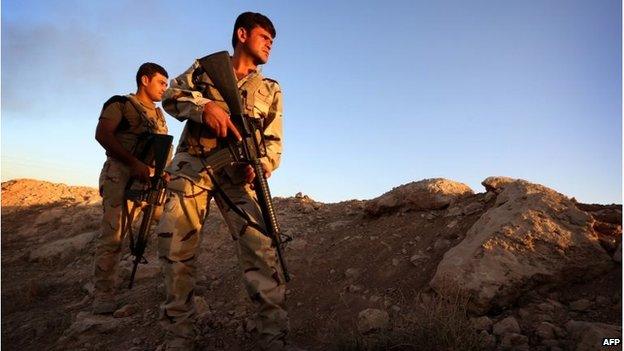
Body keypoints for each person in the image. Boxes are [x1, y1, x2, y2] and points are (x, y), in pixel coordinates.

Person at [156, 12, 289, 350]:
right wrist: (204, 108)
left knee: (261, 248)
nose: (270, 43)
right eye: (264, 36)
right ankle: (178, 336)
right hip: (193, 167)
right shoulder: (206, 67)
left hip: (237, 174)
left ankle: (273, 337)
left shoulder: (270, 89)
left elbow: (273, 142)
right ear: (242, 34)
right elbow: (171, 96)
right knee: (176, 250)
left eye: (273, 40)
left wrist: (261, 165)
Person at [93, 62, 170, 314]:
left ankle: (177, 286)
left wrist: (165, 172)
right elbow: (103, 135)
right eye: (161, 82)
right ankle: (103, 295)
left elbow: (163, 149)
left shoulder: (159, 115)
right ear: (145, 80)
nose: (164, 89)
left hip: (150, 180)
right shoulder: (121, 104)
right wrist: (134, 163)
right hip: (121, 175)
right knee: (114, 236)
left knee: (171, 228)